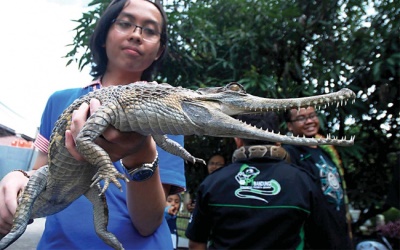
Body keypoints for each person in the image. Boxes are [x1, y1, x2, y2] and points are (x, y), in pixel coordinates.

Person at [0, 0, 185, 249]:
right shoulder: (60, 101)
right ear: (103, 34)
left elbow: (148, 223)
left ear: (159, 50)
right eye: (125, 23)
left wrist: (142, 153)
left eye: (150, 30)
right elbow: (45, 173)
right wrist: (18, 180)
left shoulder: (167, 115)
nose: (136, 35)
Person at [185, 112, 338, 249]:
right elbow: (323, 240)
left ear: (237, 139)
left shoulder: (212, 183)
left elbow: (196, 242)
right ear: (278, 139)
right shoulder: (304, 182)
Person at [283, 107, 353, 249]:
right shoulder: (289, 153)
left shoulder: (326, 149)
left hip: (339, 234)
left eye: (312, 116)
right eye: (301, 118)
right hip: (314, 240)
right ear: (289, 126)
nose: (309, 121)